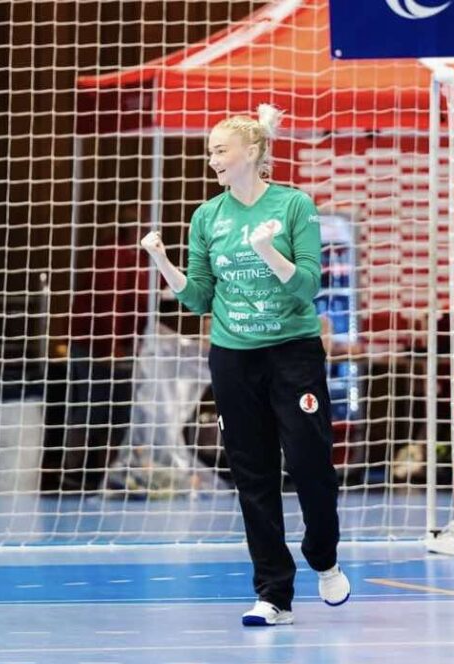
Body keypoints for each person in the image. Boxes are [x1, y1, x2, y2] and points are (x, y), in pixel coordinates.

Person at [141, 104, 350, 626]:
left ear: (252, 152)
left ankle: (323, 557)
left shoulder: (294, 205)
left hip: (293, 353)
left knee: (309, 463)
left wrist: (268, 252)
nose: (212, 158)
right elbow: (198, 298)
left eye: (220, 149)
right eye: (210, 151)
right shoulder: (207, 217)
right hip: (234, 358)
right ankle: (273, 594)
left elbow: (308, 287)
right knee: (252, 475)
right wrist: (164, 263)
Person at [66, 208, 150, 491]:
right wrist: (111, 345)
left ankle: (108, 472)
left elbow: (145, 300)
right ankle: (73, 470)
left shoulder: (140, 258)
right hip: (93, 344)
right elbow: (107, 303)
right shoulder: (113, 254)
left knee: (119, 413)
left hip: (120, 348)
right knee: (93, 407)